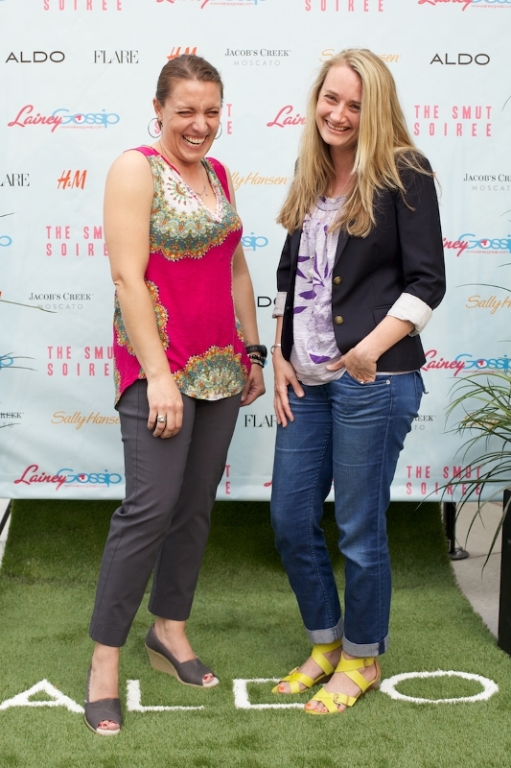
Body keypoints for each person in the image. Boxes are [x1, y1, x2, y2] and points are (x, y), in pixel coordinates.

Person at [85, 54, 265, 735]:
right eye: (186, 110)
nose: (199, 124)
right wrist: (158, 375)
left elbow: (236, 267)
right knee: (148, 510)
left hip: (220, 366)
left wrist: (252, 350)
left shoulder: (218, 174)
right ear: (158, 109)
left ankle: (169, 629)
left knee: (193, 508)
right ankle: (104, 660)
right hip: (160, 368)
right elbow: (127, 279)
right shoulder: (135, 168)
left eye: (211, 111)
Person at [270, 49, 445, 715]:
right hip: (306, 381)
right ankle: (326, 643)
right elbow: (290, 275)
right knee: (290, 518)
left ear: (376, 111)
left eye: (355, 104)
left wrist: (367, 352)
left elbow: (427, 282)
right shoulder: (311, 173)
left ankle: (362, 657)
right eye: (331, 98)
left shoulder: (404, 171)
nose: (339, 114)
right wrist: (278, 353)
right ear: (316, 99)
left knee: (359, 528)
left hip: (373, 381)